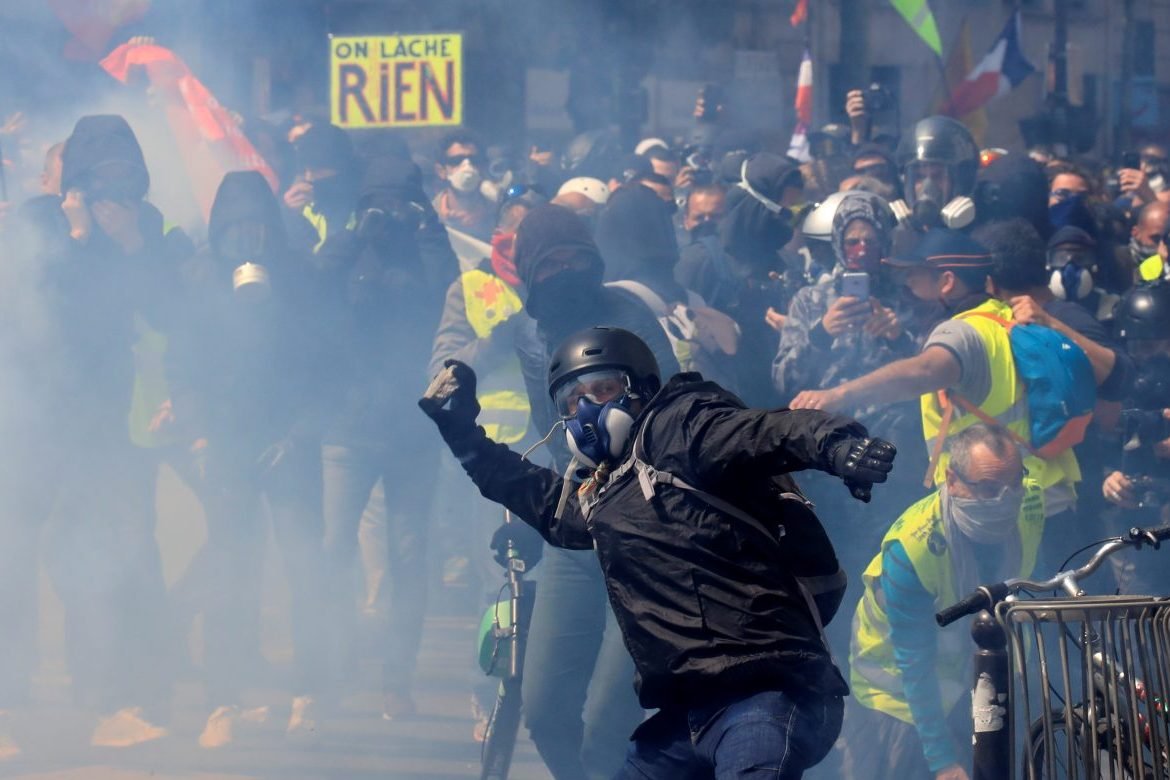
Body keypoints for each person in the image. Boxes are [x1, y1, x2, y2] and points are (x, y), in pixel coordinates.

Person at [418, 326, 897, 780]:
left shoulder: (685, 427)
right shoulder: (604, 489)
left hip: (767, 693)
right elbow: (543, 503)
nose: (585, 409)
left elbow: (768, 431)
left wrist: (839, 447)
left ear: (641, 388)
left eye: (601, 389)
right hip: (684, 716)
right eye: (571, 400)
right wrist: (462, 434)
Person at [508, 205, 679, 780]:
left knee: (610, 718)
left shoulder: (630, 316)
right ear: (530, 274)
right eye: (549, 264)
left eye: (574, 260)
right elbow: (553, 436)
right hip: (577, 532)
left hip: (648, 532)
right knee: (545, 709)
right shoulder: (528, 338)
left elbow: (675, 408)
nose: (564, 272)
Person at [166, 170, 328, 747]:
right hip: (229, 443)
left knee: (305, 568)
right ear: (219, 230)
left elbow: (327, 366)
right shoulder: (197, 281)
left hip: (289, 444)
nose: (248, 238)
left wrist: (299, 433)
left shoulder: (302, 279)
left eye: (257, 227)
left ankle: (310, 692)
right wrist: (201, 435)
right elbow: (181, 367)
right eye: (235, 229)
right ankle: (223, 700)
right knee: (232, 571)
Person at [39, 114, 182, 747]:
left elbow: (168, 312)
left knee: (133, 554)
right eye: (103, 179)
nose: (114, 195)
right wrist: (75, 236)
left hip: (125, 426)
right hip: (59, 423)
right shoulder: (45, 227)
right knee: (72, 557)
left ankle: (139, 692)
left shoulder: (146, 229)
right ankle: (92, 690)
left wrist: (129, 248)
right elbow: (46, 314)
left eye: (127, 179)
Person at [788, 229, 1085, 529]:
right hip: (1045, 492)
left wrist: (837, 396)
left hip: (1004, 504)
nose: (907, 282)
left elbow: (923, 372)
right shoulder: (1005, 317)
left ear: (947, 282)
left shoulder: (962, 331)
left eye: (915, 274)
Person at [315, 156, 445, 722]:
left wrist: (429, 230)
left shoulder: (426, 249)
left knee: (408, 555)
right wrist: (351, 234)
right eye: (380, 204)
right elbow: (308, 297)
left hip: (411, 430)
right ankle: (331, 668)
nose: (389, 215)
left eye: (401, 204)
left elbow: (449, 292)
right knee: (330, 549)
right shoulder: (347, 248)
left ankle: (397, 679)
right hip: (348, 424)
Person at [844, 424, 1044, 780]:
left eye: (1013, 483)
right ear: (953, 481)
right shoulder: (913, 551)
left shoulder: (1030, 502)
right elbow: (914, 663)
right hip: (898, 694)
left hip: (978, 674)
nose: (1005, 498)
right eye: (988, 488)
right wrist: (942, 762)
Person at [677, 152, 804, 406]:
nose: (787, 219)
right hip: (723, 403)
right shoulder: (701, 260)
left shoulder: (789, 263)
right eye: (783, 210)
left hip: (781, 402)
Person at [283, 122, 361, 253]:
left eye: (316, 170)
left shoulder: (363, 205)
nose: (309, 178)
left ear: (341, 167)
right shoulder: (303, 206)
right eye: (305, 170)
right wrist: (290, 216)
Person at [432, 129, 495, 241]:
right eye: (456, 161)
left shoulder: (499, 217)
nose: (467, 166)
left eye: (475, 160)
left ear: (484, 167)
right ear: (441, 171)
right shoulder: (429, 218)